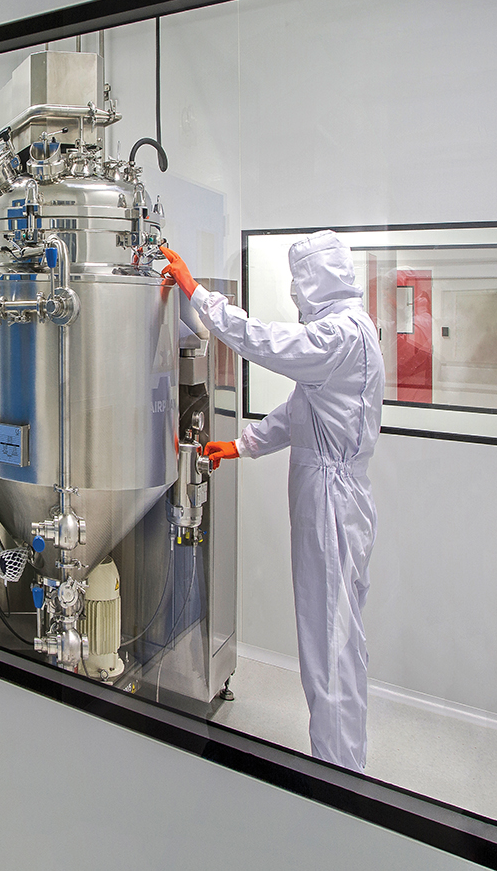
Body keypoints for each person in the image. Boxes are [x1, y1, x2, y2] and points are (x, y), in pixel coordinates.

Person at [159, 231, 384, 771]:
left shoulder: (339, 334)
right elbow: (302, 411)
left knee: (329, 639)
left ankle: (338, 777)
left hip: (330, 500)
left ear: (317, 281)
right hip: (334, 495)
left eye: (299, 283)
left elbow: (264, 342)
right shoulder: (350, 331)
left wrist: (197, 293)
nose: (295, 294)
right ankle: (339, 761)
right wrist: (241, 445)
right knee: (332, 632)